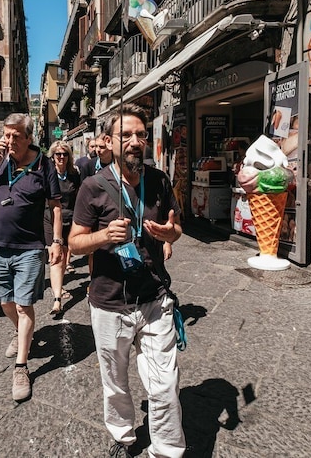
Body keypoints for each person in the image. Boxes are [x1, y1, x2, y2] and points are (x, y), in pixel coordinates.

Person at [68, 104, 185, 458]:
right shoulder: (92, 186)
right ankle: (122, 436)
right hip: (109, 301)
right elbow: (74, 242)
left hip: (154, 297)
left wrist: (169, 234)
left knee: (165, 385)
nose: (135, 141)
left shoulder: (159, 180)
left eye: (141, 135)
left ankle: (166, 450)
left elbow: (177, 228)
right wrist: (103, 237)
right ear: (109, 141)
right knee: (115, 382)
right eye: (126, 135)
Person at [0, 112, 63, 403]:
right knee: (4, 301)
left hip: (30, 248)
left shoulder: (44, 164)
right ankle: (21, 333)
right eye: (6, 134)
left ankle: (21, 367)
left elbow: (56, 206)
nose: (9, 141)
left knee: (24, 306)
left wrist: (57, 241)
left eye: (15, 136)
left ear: (28, 138)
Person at [43, 140, 81, 316]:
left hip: (70, 219)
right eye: (58, 154)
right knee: (56, 257)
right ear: (53, 156)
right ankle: (57, 299)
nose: (61, 157)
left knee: (65, 255)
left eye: (64, 154)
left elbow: (78, 197)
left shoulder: (74, 174)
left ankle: (59, 285)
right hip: (51, 220)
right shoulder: (46, 174)